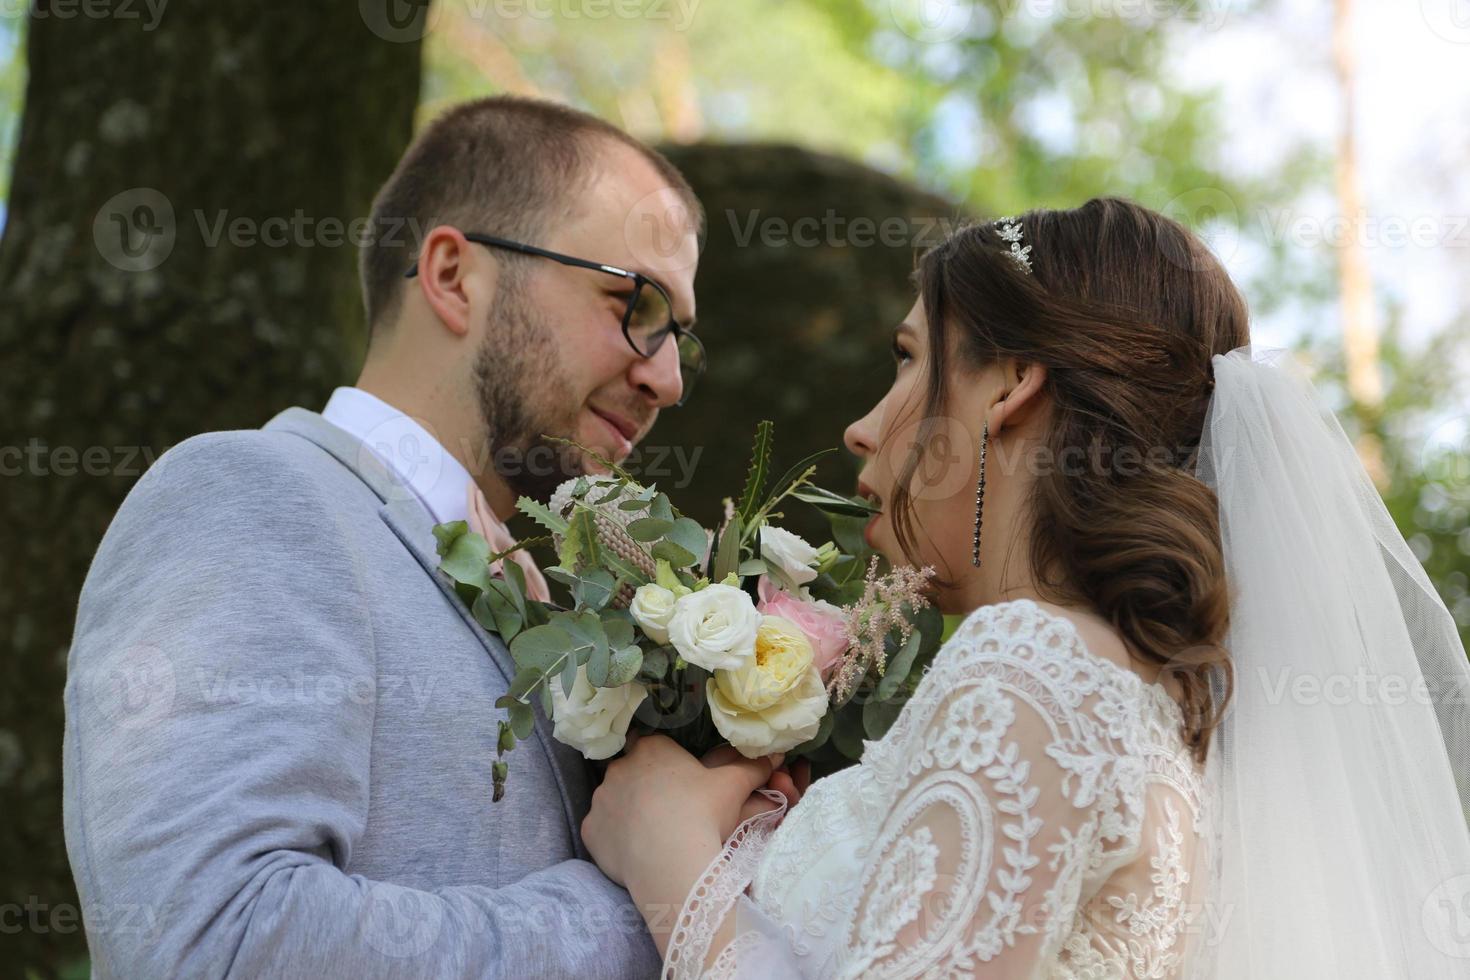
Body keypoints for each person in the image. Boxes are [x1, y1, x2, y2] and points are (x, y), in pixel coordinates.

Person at [582, 198, 1470, 978]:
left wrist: (672, 860)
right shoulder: (1157, 706)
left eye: (907, 360)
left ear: (1011, 384)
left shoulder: (1031, 664)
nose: (860, 430)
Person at [63, 94, 708, 977]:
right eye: (633, 303)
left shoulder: (566, 606)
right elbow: (216, 945)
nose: (667, 378)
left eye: (679, 336)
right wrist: (656, 903)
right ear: (451, 275)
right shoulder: (251, 496)